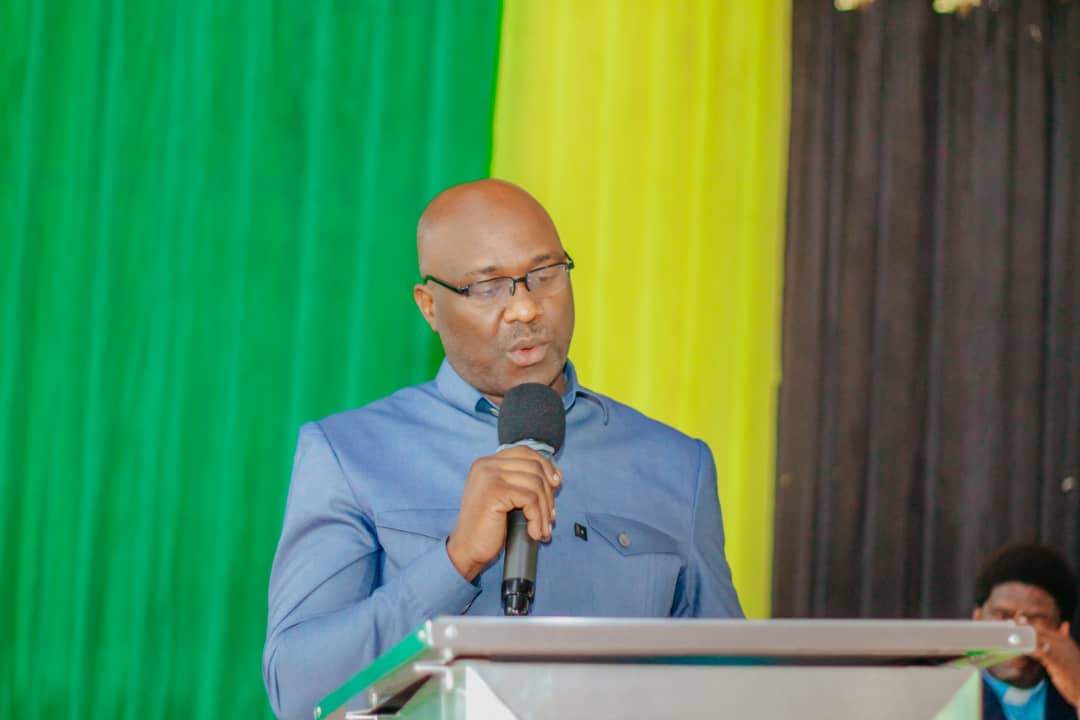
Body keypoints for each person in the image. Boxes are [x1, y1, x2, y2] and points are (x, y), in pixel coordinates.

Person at [261, 179, 743, 720]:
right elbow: (298, 693)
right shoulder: (348, 454)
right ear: (429, 306)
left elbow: (730, 689)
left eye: (545, 274)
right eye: (488, 287)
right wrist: (455, 560)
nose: (526, 308)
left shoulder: (677, 465)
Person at [973, 543, 1080, 720]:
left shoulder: (1071, 698)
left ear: (1062, 631)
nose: (1015, 636)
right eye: (1003, 616)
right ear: (978, 619)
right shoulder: (946, 691)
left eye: (1034, 619)